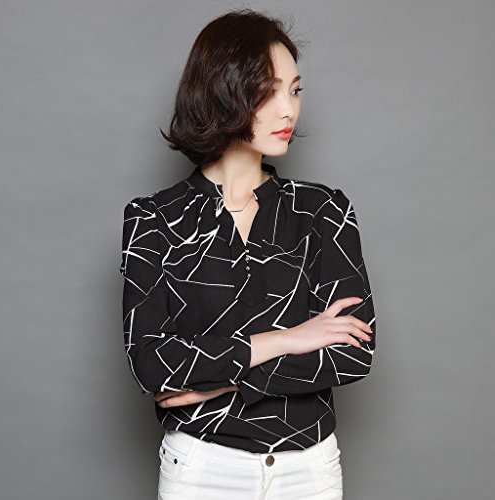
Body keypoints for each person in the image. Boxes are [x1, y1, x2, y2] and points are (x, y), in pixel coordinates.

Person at [119, 8, 376, 500]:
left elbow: (351, 355)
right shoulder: (154, 219)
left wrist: (216, 382)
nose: (289, 110)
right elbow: (152, 365)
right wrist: (290, 338)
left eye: (294, 90)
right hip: (201, 470)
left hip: (309, 471)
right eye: (268, 91)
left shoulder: (323, 211)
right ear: (221, 92)